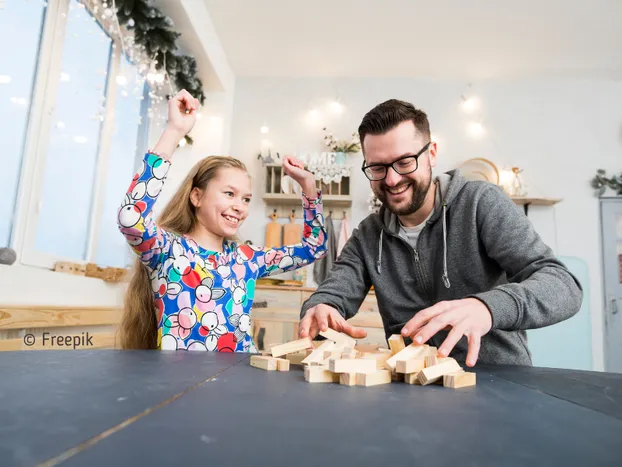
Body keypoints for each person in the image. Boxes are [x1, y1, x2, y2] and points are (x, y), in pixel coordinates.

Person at [299, 99, 583, 367]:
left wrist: (486, 307)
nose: (392, 179)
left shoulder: (480, 203)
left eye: (405, 162)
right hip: (413, 391)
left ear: (431, 153)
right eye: (378, 167)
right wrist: (320, 307)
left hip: (498, 384)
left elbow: (563, 285)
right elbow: (332, 293)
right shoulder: (368, 235)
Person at [118, 90, 327, 352]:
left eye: (246, 199)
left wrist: (307, 184)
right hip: (182, 384)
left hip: (240, 381)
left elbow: (314, 247)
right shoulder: (168, 251)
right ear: (196, 196)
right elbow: (131, 217)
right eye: (229, 193)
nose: (239, 207)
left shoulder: (247, 259)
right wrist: (174, 130)